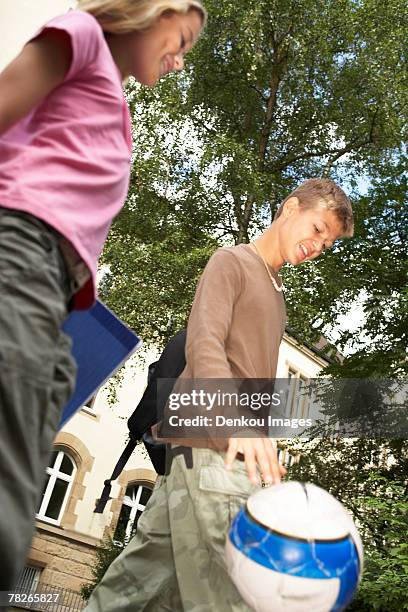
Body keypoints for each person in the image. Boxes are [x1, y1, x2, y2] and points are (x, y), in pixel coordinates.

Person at [0, 0, 206, 590]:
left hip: (54, 296)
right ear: (154, 12)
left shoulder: (117, 108)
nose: (180, 59)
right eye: (182, 39)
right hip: (19, 255)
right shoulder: (82, 36)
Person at [85, 178, 354, 611]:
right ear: (290, 208)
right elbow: (204, 344)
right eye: (318, 228)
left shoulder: (277, 293)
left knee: (129, 593)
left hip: (199, 459)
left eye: (329, 242)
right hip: (214, 447)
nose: (319, 245)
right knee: (236, 594)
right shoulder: (233, 261)